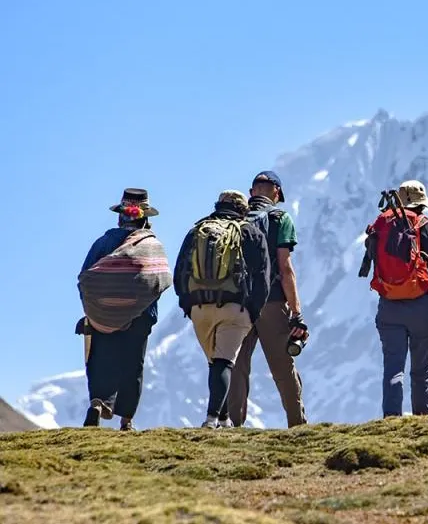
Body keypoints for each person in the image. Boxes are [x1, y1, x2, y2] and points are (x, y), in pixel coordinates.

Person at [359, 180, 428, 417]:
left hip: (389, 305)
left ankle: (391, 421)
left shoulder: (382, 226)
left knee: (393, 368)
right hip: (420, 307)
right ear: (422, 205)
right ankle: (421, 423)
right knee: (420, 371)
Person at [173, 190, 270, 428]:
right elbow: (263, 278)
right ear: (242, 209)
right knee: (224, 362)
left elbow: (179, 273)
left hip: (199, 307)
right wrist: (251, 312)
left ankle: (224, 419)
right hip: (234, 307)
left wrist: (189, 304)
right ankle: (212, 418)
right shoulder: (250, 232)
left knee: (215, 363)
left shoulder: (196, 231)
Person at [76, 188, 171, 431]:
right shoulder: (152, 245)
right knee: (133, 364)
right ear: (145, 218)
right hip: (140, 315)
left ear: (120, 216)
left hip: (102, 315)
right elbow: (160, 280)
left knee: (102, 359)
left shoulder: (103, 242)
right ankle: (126, 420)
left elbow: (85, 278)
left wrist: (94, 309)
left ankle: (98, 403)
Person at [227, 170, 309, 428]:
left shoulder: (234, 219)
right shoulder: (280, 218)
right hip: (271, 303)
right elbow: (285, 269)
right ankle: (296, 424)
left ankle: (234, 425)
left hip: (236, 304)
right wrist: (296, 313)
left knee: (238, 366)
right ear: (276, 192)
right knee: (283, 367)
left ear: (252, 192)